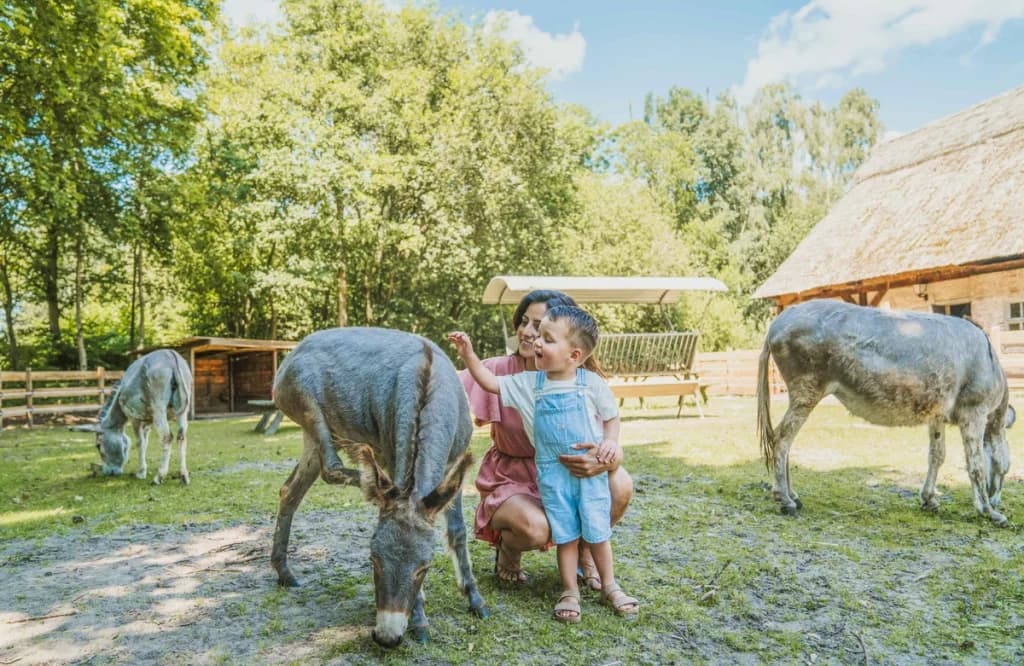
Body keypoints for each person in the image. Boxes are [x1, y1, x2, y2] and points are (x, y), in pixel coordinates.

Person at [449, 305, 639, 622]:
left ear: (574, 355)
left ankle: (610, 585)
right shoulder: (528, 383)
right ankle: (569, 591)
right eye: (537, 334)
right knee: (564, 534)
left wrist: (609, 443)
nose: (536, 341)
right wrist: (469, 354)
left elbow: (612, 416)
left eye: (547, 338)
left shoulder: (590, 383)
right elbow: (489, 382)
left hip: (588, 476)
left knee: (598, 531)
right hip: (552, 476)